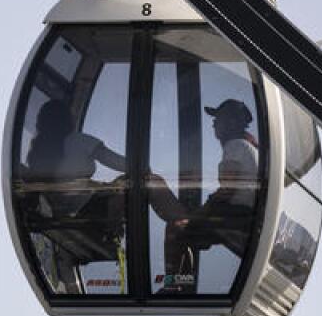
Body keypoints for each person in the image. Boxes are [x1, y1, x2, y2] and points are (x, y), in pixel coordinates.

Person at [149, 99, 261, 290]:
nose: (214, 123)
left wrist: (201, 214)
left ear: (232, 123)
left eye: (218, 119)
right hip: (240, 214)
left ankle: (172, 286)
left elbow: (227, 190)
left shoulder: (235, 145)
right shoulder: (249, 147)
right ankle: (182, 283)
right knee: (184, 227)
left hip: (235, 215)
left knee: (177, 228)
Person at [21, 99, 130, 293]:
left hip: (66, 215)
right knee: (128, 183)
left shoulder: (39, 151)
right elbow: (123, 164)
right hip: (88, 207)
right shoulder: (79, 140)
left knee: (66, 261)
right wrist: (147, 167)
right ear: (67, 119)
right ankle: (112, 231)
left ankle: (75, 293)